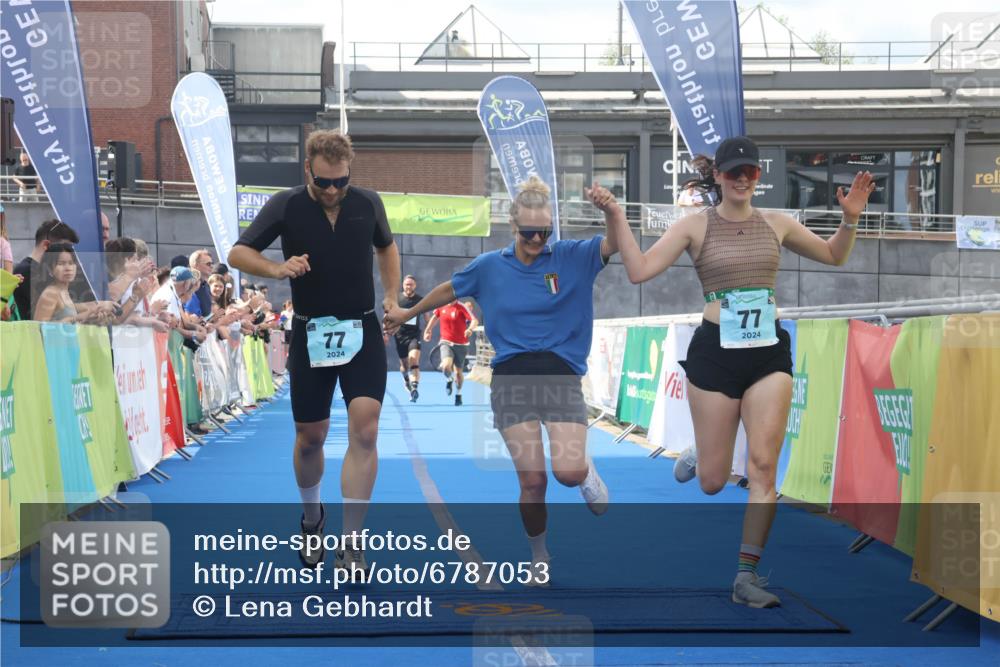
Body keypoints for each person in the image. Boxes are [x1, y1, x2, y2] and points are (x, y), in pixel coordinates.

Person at [609, 136, 875, 608]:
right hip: (715, 353)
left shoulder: (777, 223)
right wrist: (615, 217)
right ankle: (704, 447)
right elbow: (640, 271)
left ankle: (746, 577)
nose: (743, 179)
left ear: (758, 176)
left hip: (768, 351)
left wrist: (850, 217)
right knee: (712, 480)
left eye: (750, 171)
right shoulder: (694, 226)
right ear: (719, 176)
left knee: (763, 468)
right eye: (734, 171)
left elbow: (835, 256)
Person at [385, 176, 620, 582]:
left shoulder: (570, 256)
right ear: (513, 228)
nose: (536, 239)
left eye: (544, 232)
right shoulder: (490, 265)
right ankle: (539, 553)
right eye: (529, 233)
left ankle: (584, 470)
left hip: (561, 374)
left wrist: (613, 212)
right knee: (532, 481)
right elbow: (447, 290)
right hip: (512, 377)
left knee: (567, 474)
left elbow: (614, 245)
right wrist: (408, 313)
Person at [228, 129, 400, 578]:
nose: (331, 191)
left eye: (340, 182)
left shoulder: (368, 203)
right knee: (311, 437)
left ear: (350, 174)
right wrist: (276, 268)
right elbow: (238, 252)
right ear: (308, 170)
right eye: (323, 182)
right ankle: (312, 519)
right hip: (309, 334)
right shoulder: (286, 205)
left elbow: (387, 246)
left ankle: (353, 542)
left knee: (366, 429)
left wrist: (392, 295)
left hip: (361, 328)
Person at [12, 219, 81, 320]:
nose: (69, 252)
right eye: (64, 247)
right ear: (46, 245)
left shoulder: (41, 271)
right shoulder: (26, 271)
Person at [32, 243, 118, 324]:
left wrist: (91, 318)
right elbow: (39, 328)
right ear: (50, 269)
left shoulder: (64, 291)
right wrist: (77, 318)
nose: (68, 268)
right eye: (61, 263)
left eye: (71, 263)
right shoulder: (51, 293)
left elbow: (70, 320)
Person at [423, 299, 478, 406]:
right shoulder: (441, 306)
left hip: (461, 345)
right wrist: (427, 330)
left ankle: (458, 394)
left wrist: (470, 330)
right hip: (446, 342)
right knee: (446, 366)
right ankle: (449, 379)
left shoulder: (461, 306)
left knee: (458, 372)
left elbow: (474, 320)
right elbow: (435, 317)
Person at [389, 275, 424, 401]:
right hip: (400, 336)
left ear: (415, 286)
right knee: (404, 365)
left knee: (413, 359)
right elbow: (388, 314)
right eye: (406, 284)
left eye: (411, 284)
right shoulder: (397, 299)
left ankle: (415, 388)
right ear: (403, 285)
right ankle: (406, 380)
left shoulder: (420, 299)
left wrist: (429, 329)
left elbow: (427, 315)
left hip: (414, 335)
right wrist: (387, 330)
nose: (409, 286)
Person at [185, 249, 214, 318]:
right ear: (195, 265)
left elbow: (206, 314)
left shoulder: (206, 285)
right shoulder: (186, 285)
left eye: (212, 263)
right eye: (208, 264)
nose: (212, 266)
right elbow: (190, 318)